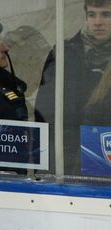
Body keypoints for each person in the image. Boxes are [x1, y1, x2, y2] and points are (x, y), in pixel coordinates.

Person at [35, 0, 111, 174]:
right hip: (65, 160)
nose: (97, 22)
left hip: (105, 155)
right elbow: (45, 113)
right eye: (91, 14)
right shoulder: (64, 53)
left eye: (106, 14)